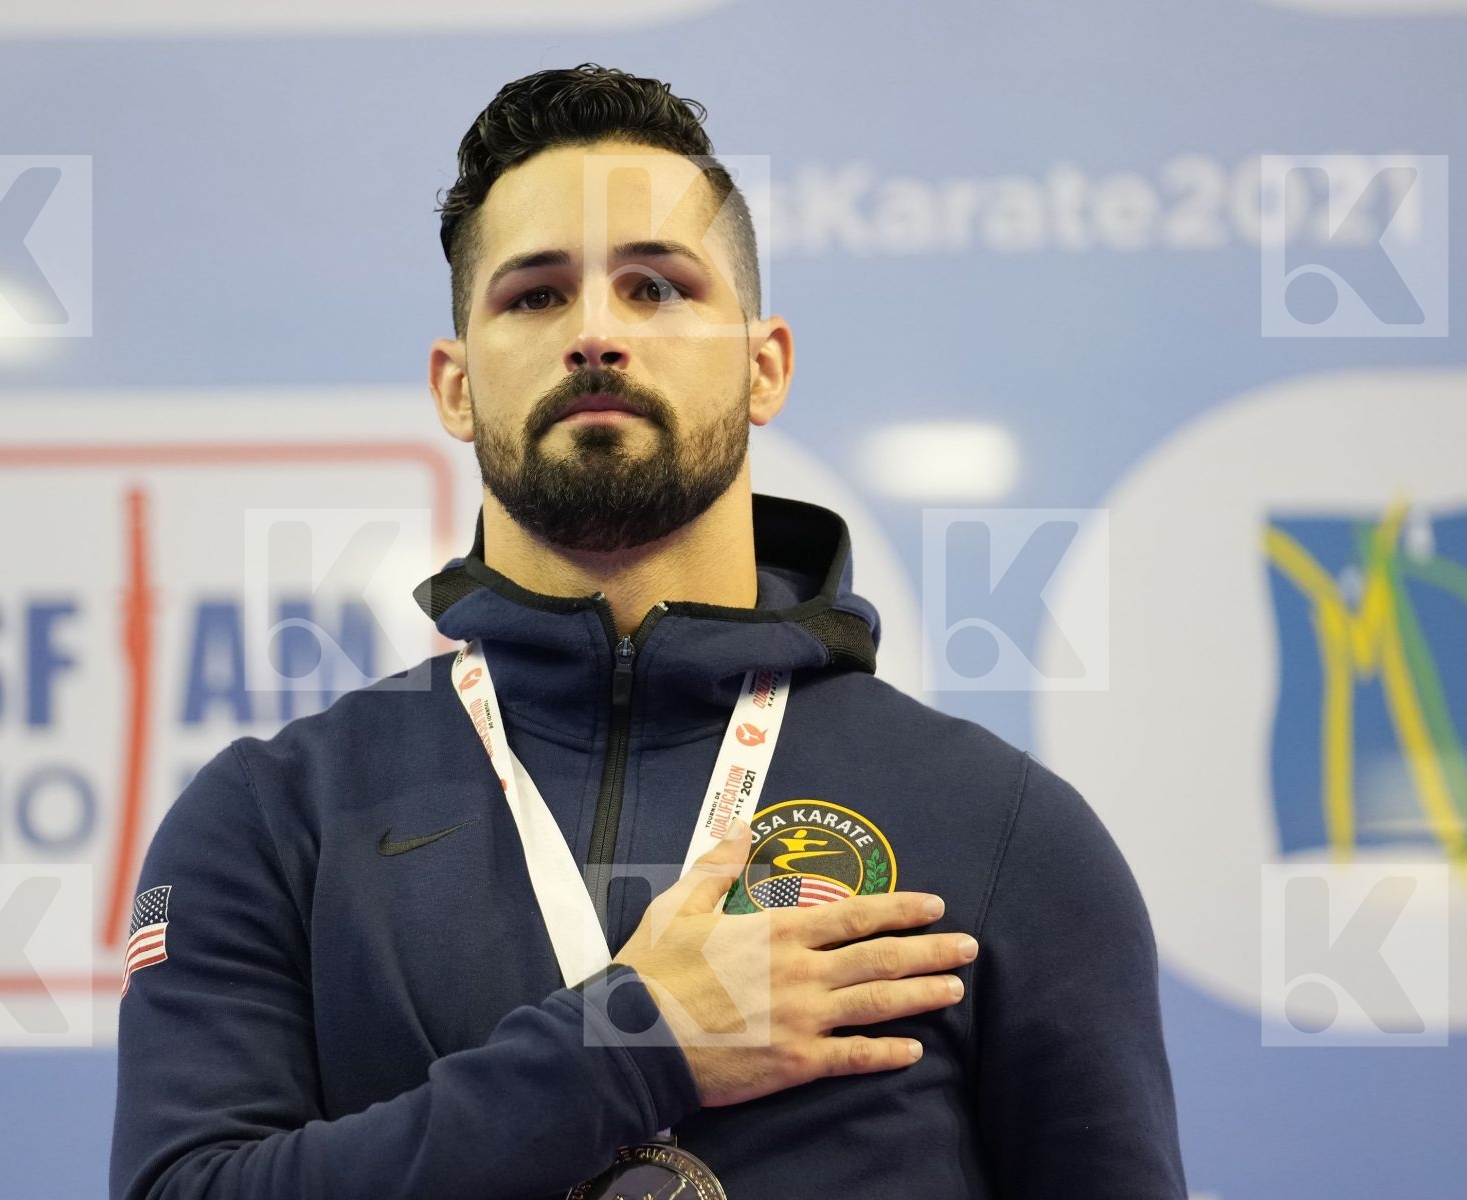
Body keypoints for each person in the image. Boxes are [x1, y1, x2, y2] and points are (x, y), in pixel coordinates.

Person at [109, 63, 1187, 1199]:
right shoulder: (277, 821)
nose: (595, 334)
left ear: (763, 364)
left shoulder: (998, 829)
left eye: (657, 288)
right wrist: (635, 1041)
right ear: (457, 385)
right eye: (533, 296)